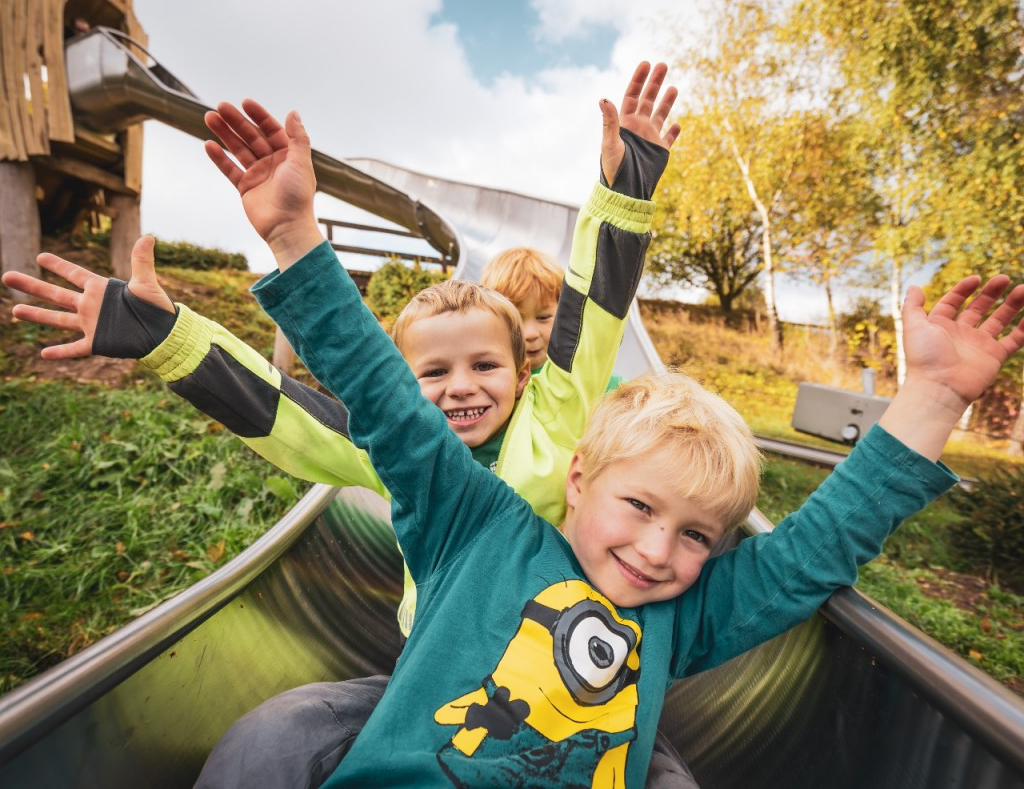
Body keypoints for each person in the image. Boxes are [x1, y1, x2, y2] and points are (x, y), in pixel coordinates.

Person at [197, 75, 1024, 786]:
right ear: (579, 478)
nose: (659, 552)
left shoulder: (683, 616)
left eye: (698, 535)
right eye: (640, 506)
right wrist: (294, 236)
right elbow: (388, 403)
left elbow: (816, 549)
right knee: (270, 737)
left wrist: (935, 395)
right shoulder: (476, 530)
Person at [6, 63, 697, 788]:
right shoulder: (400, 452)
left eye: (485, 366)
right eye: (434, 373)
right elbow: (277, 408)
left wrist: (625, 191)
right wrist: (167, 338)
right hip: (439, 680)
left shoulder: (554, 422)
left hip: (587, 690)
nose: (462, 386)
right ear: (402, 386)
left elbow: (592, 314)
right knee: (271, 738)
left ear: (523, 373)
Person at [481, 246, 622, 389]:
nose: (530, 334)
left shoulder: (584, 375)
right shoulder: (488, 381)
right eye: (516, 321)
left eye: (543, 317)